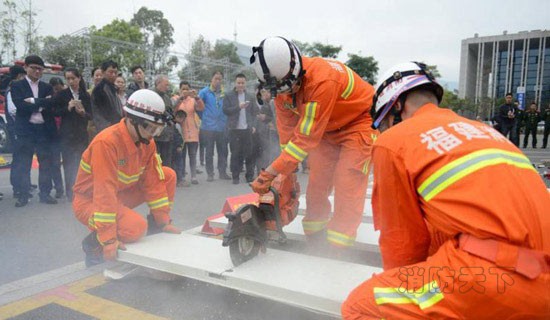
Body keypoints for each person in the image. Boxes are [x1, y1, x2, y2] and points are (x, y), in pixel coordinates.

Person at [342, 62, 550, 319]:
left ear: (396, 106)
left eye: (384, 122)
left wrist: (405, 289)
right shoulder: (484, 131)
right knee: (438, 232)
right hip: (542, 277)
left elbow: (402, 244)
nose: (385, 131)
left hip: (497, 281)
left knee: (360, 304)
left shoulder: (393, 142)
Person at [249, 37, 376, 248]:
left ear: (295, 70)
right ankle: (315, 238)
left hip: (359, 123)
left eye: (287, 89)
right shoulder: (281, 87)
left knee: (347, 182)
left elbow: (304, 141)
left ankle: (338, 246)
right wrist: (285, 172)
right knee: (318, 182)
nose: (284, 94)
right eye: (280, 91)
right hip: (326, 128)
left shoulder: (322, 80)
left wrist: (269, 173)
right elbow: (287, 137)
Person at [73, 89, 182, 267]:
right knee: (135, 229)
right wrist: (108, 239)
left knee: (167, 175)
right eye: (150, 128)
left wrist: (163, 221)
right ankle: (93, 245)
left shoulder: (147, 141)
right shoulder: (106, 143)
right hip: (90, 201)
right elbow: (103, 191)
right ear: (132, 120)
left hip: (118, 194)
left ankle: (156, 226)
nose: (153, 134)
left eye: (157, 129)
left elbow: (153, 181)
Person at [10, 55, 58, 207]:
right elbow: (21, 106)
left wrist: (33, 101)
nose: (37, 71)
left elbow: (52, 104)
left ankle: (45, 193)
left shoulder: (47, 87)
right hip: (26, 130)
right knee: (24, 163)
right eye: (34, 68)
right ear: (26, 68)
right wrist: (41, 104)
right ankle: (23, 195)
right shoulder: (17, 86)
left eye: (40, 69)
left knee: (46, 163)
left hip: (44, 129)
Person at [54, 68, 92, 200]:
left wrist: (83, 113)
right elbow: (55, 112)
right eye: (68, 79)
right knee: (68, 163)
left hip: (81, 134)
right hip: (66, 135)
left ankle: (81, 190)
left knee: (82, 163)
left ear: (79, 78)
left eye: (73, 78)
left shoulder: (85, 95)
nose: (71, 81)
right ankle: (70, 192)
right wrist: (68, 108)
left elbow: (91, 115)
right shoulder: (62, 94)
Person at [223, 73, 259, 184]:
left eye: (242, 83)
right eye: (238, 83)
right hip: (234, 130)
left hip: (247, 129)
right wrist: (238, 107)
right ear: (235, 83)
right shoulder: (229, 95)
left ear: (245, 83)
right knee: (235, 153)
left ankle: (249, 176)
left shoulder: (250, 96)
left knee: (249, 153)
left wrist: (253, 125)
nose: (240, 85)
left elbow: (255, 112)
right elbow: (225, 110)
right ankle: (235, 176)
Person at [198, 71, 230, 182]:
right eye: (216, 78)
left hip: (222, 127)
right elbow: (198, 107)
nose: (218, 81)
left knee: (223, 151)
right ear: (211, 79)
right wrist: (204, 118)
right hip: (208, 128)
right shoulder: (204, 92)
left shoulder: (225, 93)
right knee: (209, 152)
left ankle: (222, 172)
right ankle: (210, 174)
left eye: (220, 79)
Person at [174, 81, 204, 186]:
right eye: (183, 89)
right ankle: (181, 176)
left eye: (187, 89)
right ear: (179, 90)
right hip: (180, 133)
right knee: (181, 156)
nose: (185, 91)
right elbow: (173, 110)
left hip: (193, 132)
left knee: (193, 155)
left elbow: (201, 108)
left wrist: (197, 97)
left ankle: (193, 176)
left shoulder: (193, 100)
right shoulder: (176, 99)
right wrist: (180, 99)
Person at [91, 60, 123, 133]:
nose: (114, 75)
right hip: (106, 128)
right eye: (111, 72)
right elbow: (108, 112)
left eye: (115, 72)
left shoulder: (113, 88)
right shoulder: (100, 89)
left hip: (114, 126)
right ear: (103, 72)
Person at [153, 75, 176, 168]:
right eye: (166, 85)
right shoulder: (150, 95)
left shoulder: (167, 98)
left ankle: (166, 181)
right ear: (158, 83)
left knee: (167, 163)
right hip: (155, 136)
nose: (168, 87)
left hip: (167, 136)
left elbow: (171, 114)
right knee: (156, 162)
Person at [48, 77, 65, 199]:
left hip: (66, 134)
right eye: (55, 89)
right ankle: (59, 188)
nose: (58, 91)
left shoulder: (67, 97)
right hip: (53, 135)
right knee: (55, 163)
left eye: (59, 88)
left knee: (70, 162)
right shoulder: (50, 100)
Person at [254, 87, 277, 173]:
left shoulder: (273, 102)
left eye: (266, 92)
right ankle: (262, 172)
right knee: (262, 152)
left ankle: (270, 172)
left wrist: (266, 118)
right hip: (262, 132)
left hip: (272, 132)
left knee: (271, 152)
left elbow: (276, 117)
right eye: (262, 92)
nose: (264, 94)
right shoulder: (263, 103)